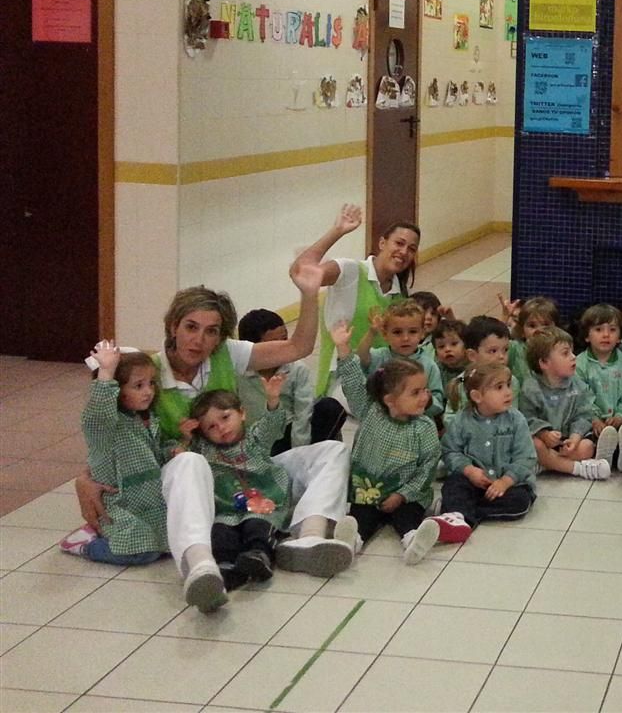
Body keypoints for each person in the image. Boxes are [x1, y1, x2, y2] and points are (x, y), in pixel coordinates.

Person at [74, 262, 354, 614]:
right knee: (189, 461)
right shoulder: (148, 374)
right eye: (191, 327)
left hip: (243, 469)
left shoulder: (227, 354)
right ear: (172, 327)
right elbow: (111, 429)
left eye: (211, 331)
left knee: (331, 452)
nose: (199, 340)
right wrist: (85, 477)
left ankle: (309, 537)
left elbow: (299, 347)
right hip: (191, 484)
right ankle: (201, 565)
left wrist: (310, 294)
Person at [332, 321, 443, 565]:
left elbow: (427, 469)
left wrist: (403, 495)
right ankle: (351, 542)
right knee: (362, 515)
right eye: (415, 393)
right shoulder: (371, 411)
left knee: (408, 516)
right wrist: (343, 349)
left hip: (405, 494)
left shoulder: (424, 427)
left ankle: (413, 540)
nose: (425, 396)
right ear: (390, 400)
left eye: (424, 390)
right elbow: (352, 383)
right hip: (368, 490)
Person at [62, 344, 167, 566]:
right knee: (141, 554)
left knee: (164, 547)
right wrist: (106, 373)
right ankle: (85, 544)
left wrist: (175, 447)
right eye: (138, 386)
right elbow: (99, 411)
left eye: (150, 384)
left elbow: (156, 452)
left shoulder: (143, 419)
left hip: (149, 502)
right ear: (117, 390)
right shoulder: (105, 427)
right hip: (118, 505)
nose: (148, 391)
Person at [298, 204, 418, 395]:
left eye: (411, 248)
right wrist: (337, 231)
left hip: (379, 386)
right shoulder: (349, 271)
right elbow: (301, 271)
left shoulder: (400, 296)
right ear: (382, 243)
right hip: (339, 384)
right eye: (399, 243)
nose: (404, 252)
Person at [186, 382, 290, 591]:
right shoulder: (205, 450)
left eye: (225, 418)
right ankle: (227, 567)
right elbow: (180, 457)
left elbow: (272, 425)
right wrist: (185, 437)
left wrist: (272, 400)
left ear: (241, 413)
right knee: (220, 534)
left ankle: (259, 556)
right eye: (211, 427)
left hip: (263, 505)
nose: (221, 428)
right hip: (226, 510)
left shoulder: (254, 439)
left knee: (257, 527)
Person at [439, 363, 538, 533]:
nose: (508, 392)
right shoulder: (462, 420)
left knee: (520, 502)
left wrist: (505, 481)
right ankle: (459, 520)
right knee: (454, 484)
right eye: (499, 387)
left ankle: (459, 513)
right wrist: (469, 470)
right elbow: (450, 451)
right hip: (474, 483)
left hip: (509, 485)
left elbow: (526, 457)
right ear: (477, 396)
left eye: (508, 385)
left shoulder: (516, 419)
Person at [236, 307, 345, 449]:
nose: (283, 347)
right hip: (257, 439)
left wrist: (300, 452)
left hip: (290, 433)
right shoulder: (237, 373)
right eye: (275, 343)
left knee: (329, 408)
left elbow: (303, 414)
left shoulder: (296, 369)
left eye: (285, 339)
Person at [517, 326, 610, 480]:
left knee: (586, 447)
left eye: (572, 352)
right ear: (544, 363)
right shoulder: (531, 388)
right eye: (565, 353)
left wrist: (574, 438)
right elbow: (526, 418)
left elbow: (583, 414)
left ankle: (547, 463)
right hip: (544, 442)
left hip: (566, 442)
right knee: (535, 445)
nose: (574, 357)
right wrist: (543, 433)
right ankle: (578, 469)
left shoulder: (576, 384)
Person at [575, 303, 622, 473]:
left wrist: (621, 416)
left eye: (612, 330)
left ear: (620, 336)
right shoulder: (580, 365)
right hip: (591, 424)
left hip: (620, 421)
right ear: (587, 336)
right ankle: (603, 456)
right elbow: (579, 397)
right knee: (586, 437)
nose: (606, 335)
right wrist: (594, 418)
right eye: (598, 329)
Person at [357, 300, 445, 418]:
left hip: (417, 423)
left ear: (422, 333)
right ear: (385, 334)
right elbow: (361, 356)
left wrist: (425, 399)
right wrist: (372, 332)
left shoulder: (429, 365)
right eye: (397, 332)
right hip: (381, 419)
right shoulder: (380, 356)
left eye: (413, 331)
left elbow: (438, 404)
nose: (405, 338)